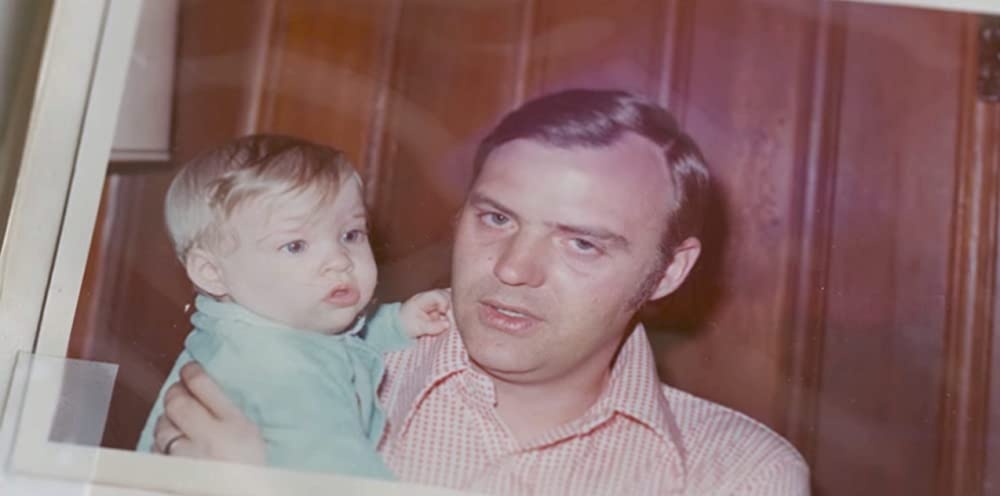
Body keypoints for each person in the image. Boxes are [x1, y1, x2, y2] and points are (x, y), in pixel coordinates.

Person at [152, 90, 810, 495]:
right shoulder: (272, 377)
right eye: (496, 219)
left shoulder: (739, 475)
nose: (514, 270)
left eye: (582, 243)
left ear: (668, 271)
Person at [136, 135, 452, 479]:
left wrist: (395, 323)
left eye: (350, 235)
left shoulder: (251, 329)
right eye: (295, 246)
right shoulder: (281, 369)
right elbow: (341, 473)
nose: (339, 260)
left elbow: (331, 343)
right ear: (212, 273)